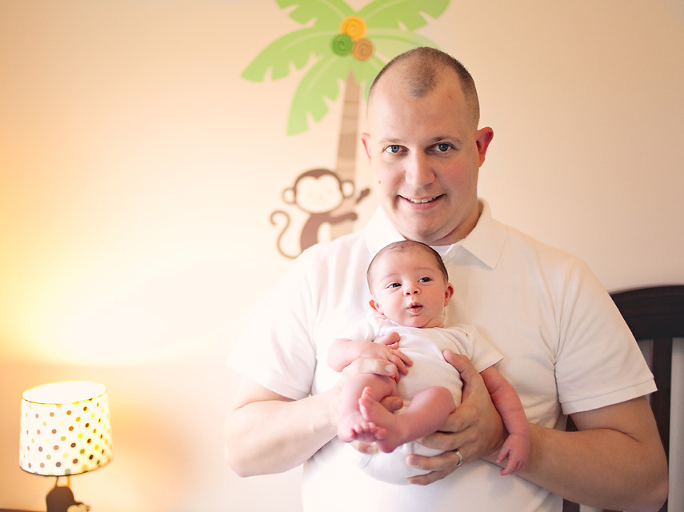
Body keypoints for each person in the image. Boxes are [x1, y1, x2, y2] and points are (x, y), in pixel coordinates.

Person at [224, 47, 668, 511]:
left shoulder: (561, 281)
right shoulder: (318, 272)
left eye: (441, 147)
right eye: (395, 149)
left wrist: (499, 438)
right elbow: (242, 451)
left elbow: (644, 484)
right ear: (370, 152)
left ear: (480, 148)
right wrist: (341, 404)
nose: (417, 178)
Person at [331, 240, 528, 482]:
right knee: (368, 377)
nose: (411, 289)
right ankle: (351, 416)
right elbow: (335, 356)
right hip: (368, 441)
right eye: (394, 284)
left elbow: (498, 388)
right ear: (377, 306)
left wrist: (519, 434)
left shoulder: (464, 337)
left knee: (440, 395)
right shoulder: (376, 328)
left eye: (424, 279)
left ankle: (401, 428)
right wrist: (365, 350)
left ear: (446, 294)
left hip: (431, 436)